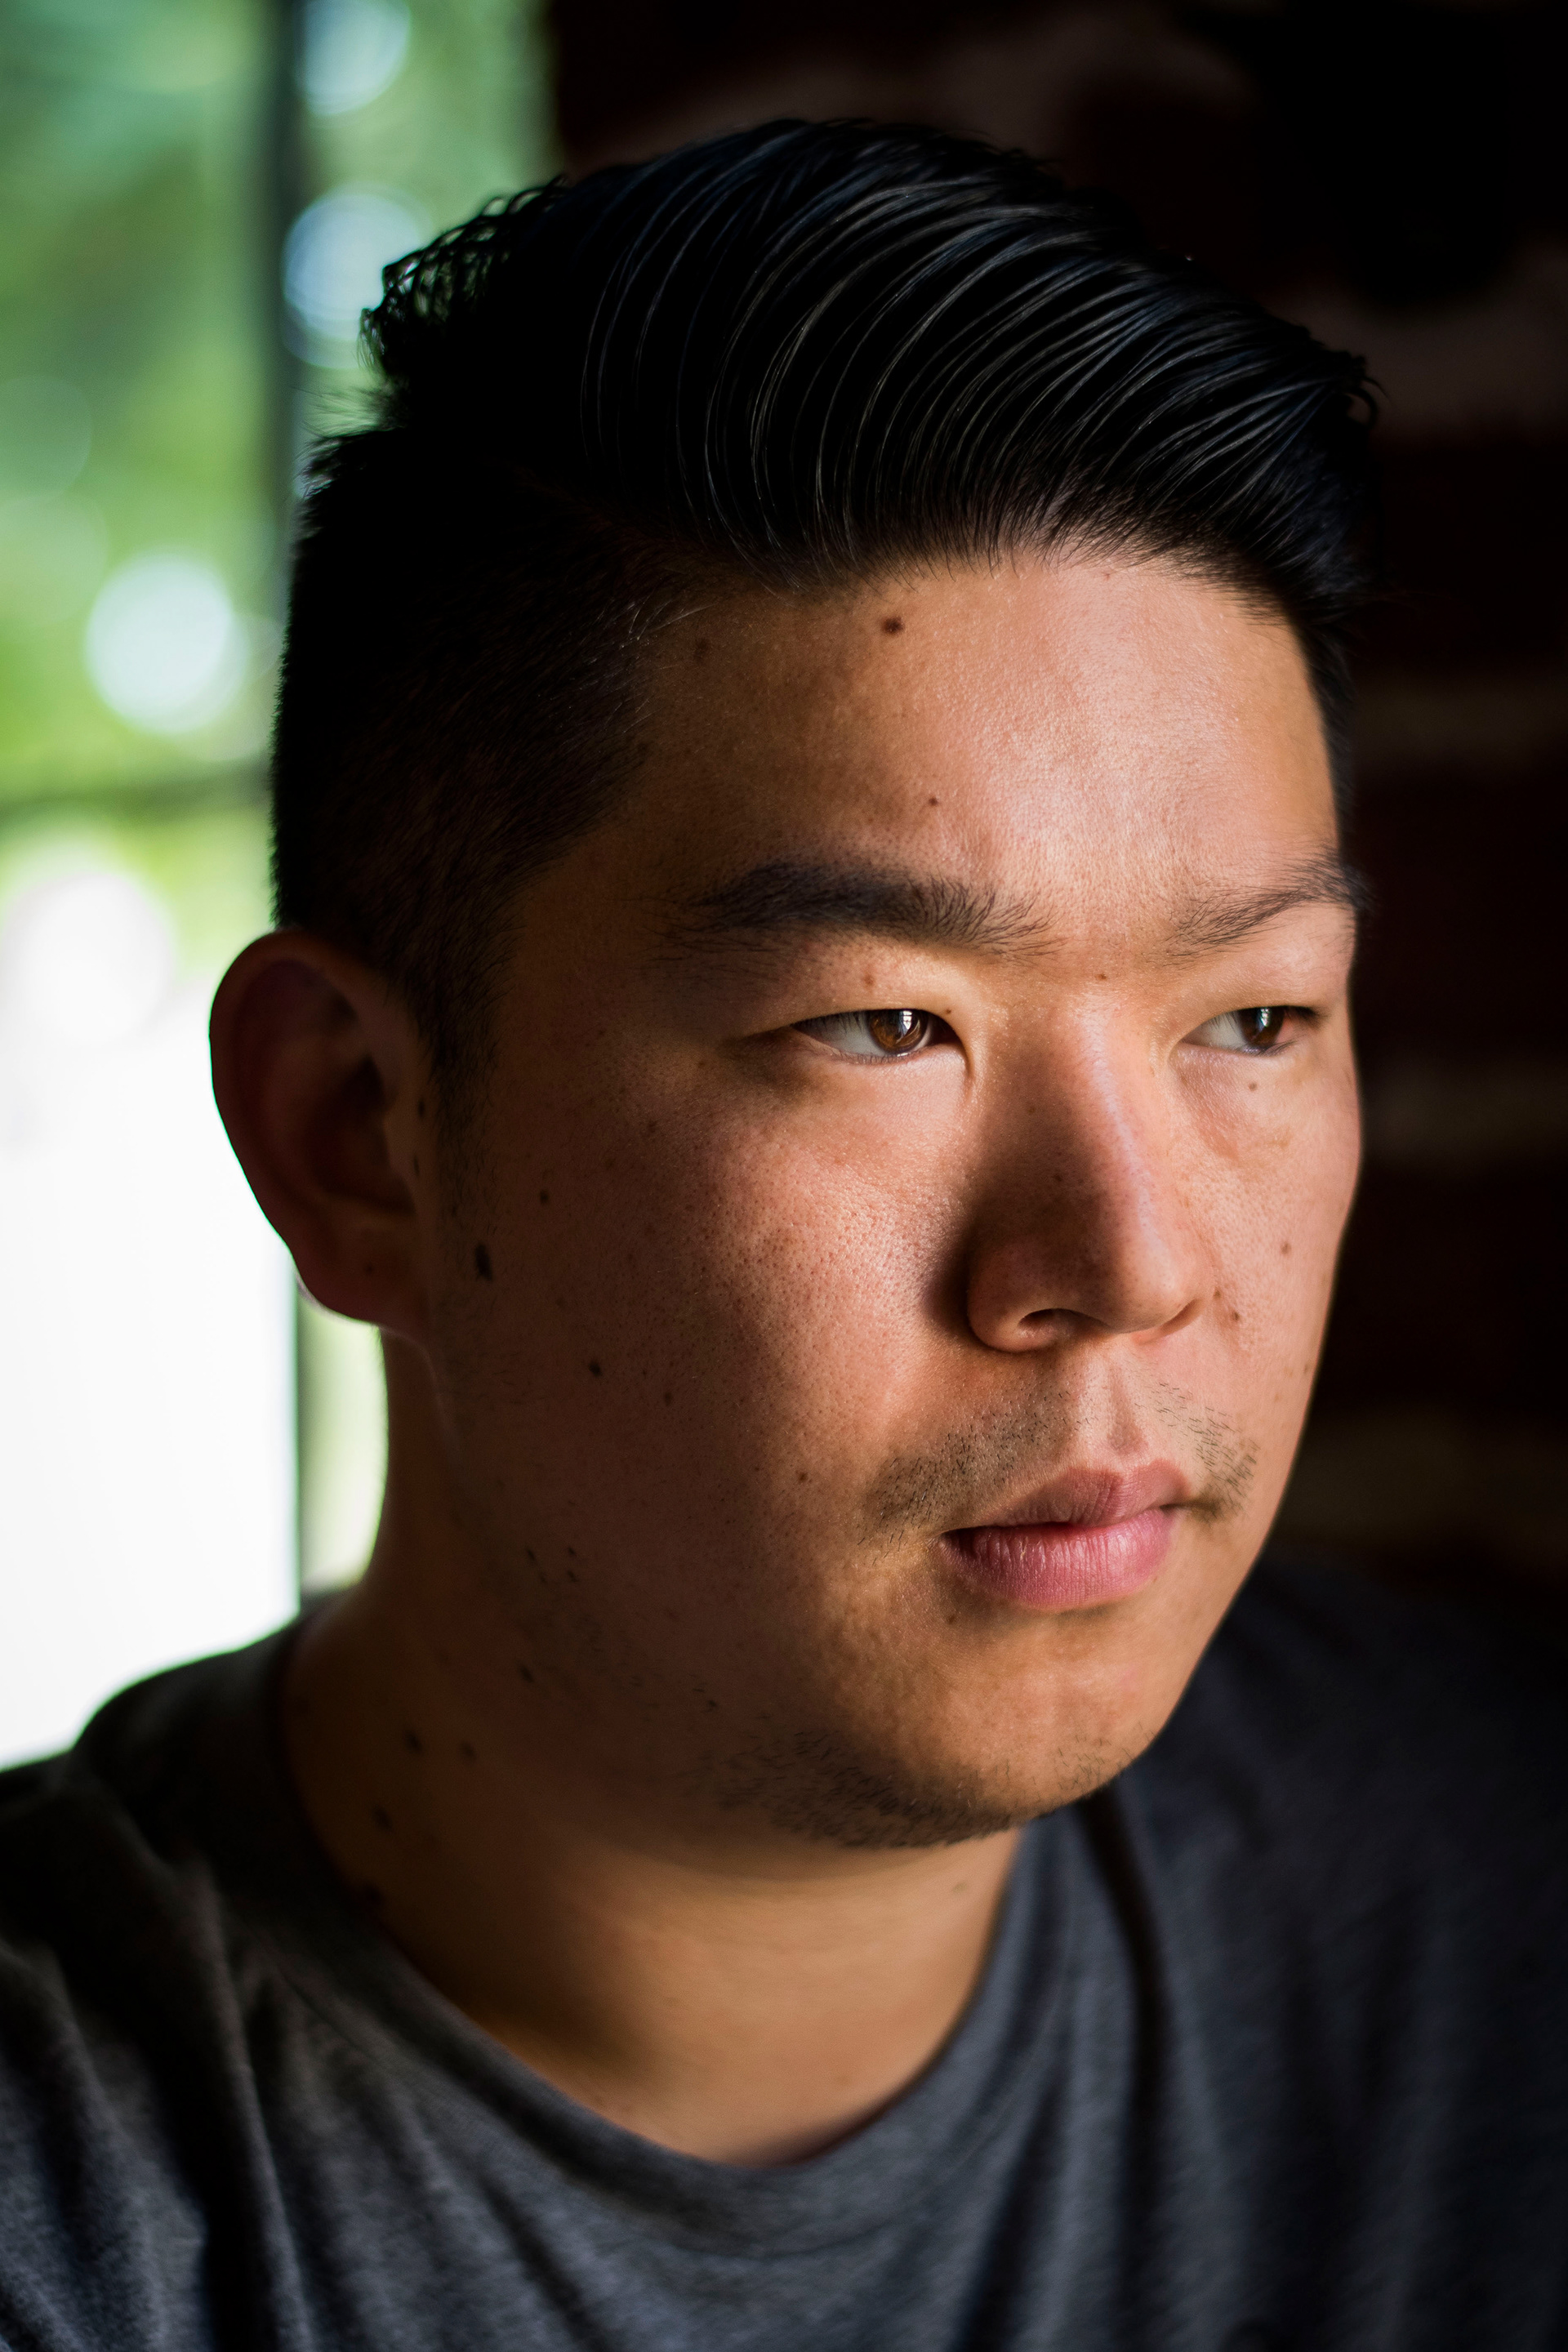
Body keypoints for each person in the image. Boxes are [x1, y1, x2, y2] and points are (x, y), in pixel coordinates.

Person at [1, 120, 1563, 2352]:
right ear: (359, 1138)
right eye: (885, 1026)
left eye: (1250, 1019)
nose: (1130, 1262)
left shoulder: (1503, 1906)